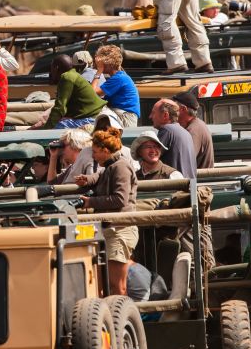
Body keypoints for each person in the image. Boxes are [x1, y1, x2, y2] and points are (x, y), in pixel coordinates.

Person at [75, 128, 138, 296]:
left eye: (95, 152)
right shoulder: (112, 165)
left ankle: (118, 319)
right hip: (112, 229)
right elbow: (100, 175)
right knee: (108, 282)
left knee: (117, 285)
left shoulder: (121, 167)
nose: (93, 156)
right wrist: (87, 180)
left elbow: (120, 199)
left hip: (119, 230)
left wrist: (91, 202)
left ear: (105, 151)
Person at [35, 54, 106, 129]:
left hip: (91, 118)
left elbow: (60, 108)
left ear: (56, 68)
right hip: (96, 115)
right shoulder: (73, 74)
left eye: (51, 68)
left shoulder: (66, 77)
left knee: (56, 127)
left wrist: (46, 129)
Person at [90, 45, 140, 128]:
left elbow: (92, 93)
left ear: (109, 63)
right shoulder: (120, 77)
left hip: (126, 118)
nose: (98, 65)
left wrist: (99, 71)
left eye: (101, 63)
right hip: (123, 116)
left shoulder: (119, 78)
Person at [149, 98, 197, 178]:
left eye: (153, 113)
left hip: (177, 187)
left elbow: (151, 158)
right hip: (190, 187)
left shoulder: (167, 130)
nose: (150, 116)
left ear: (165, 115)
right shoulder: (185, 132)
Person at [172, 91, 214, 169]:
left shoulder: (193, 130)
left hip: (198, 180)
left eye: (174, 108)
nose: (171, 112)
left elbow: (185, 161)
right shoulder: (196, 125)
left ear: (183, 109)